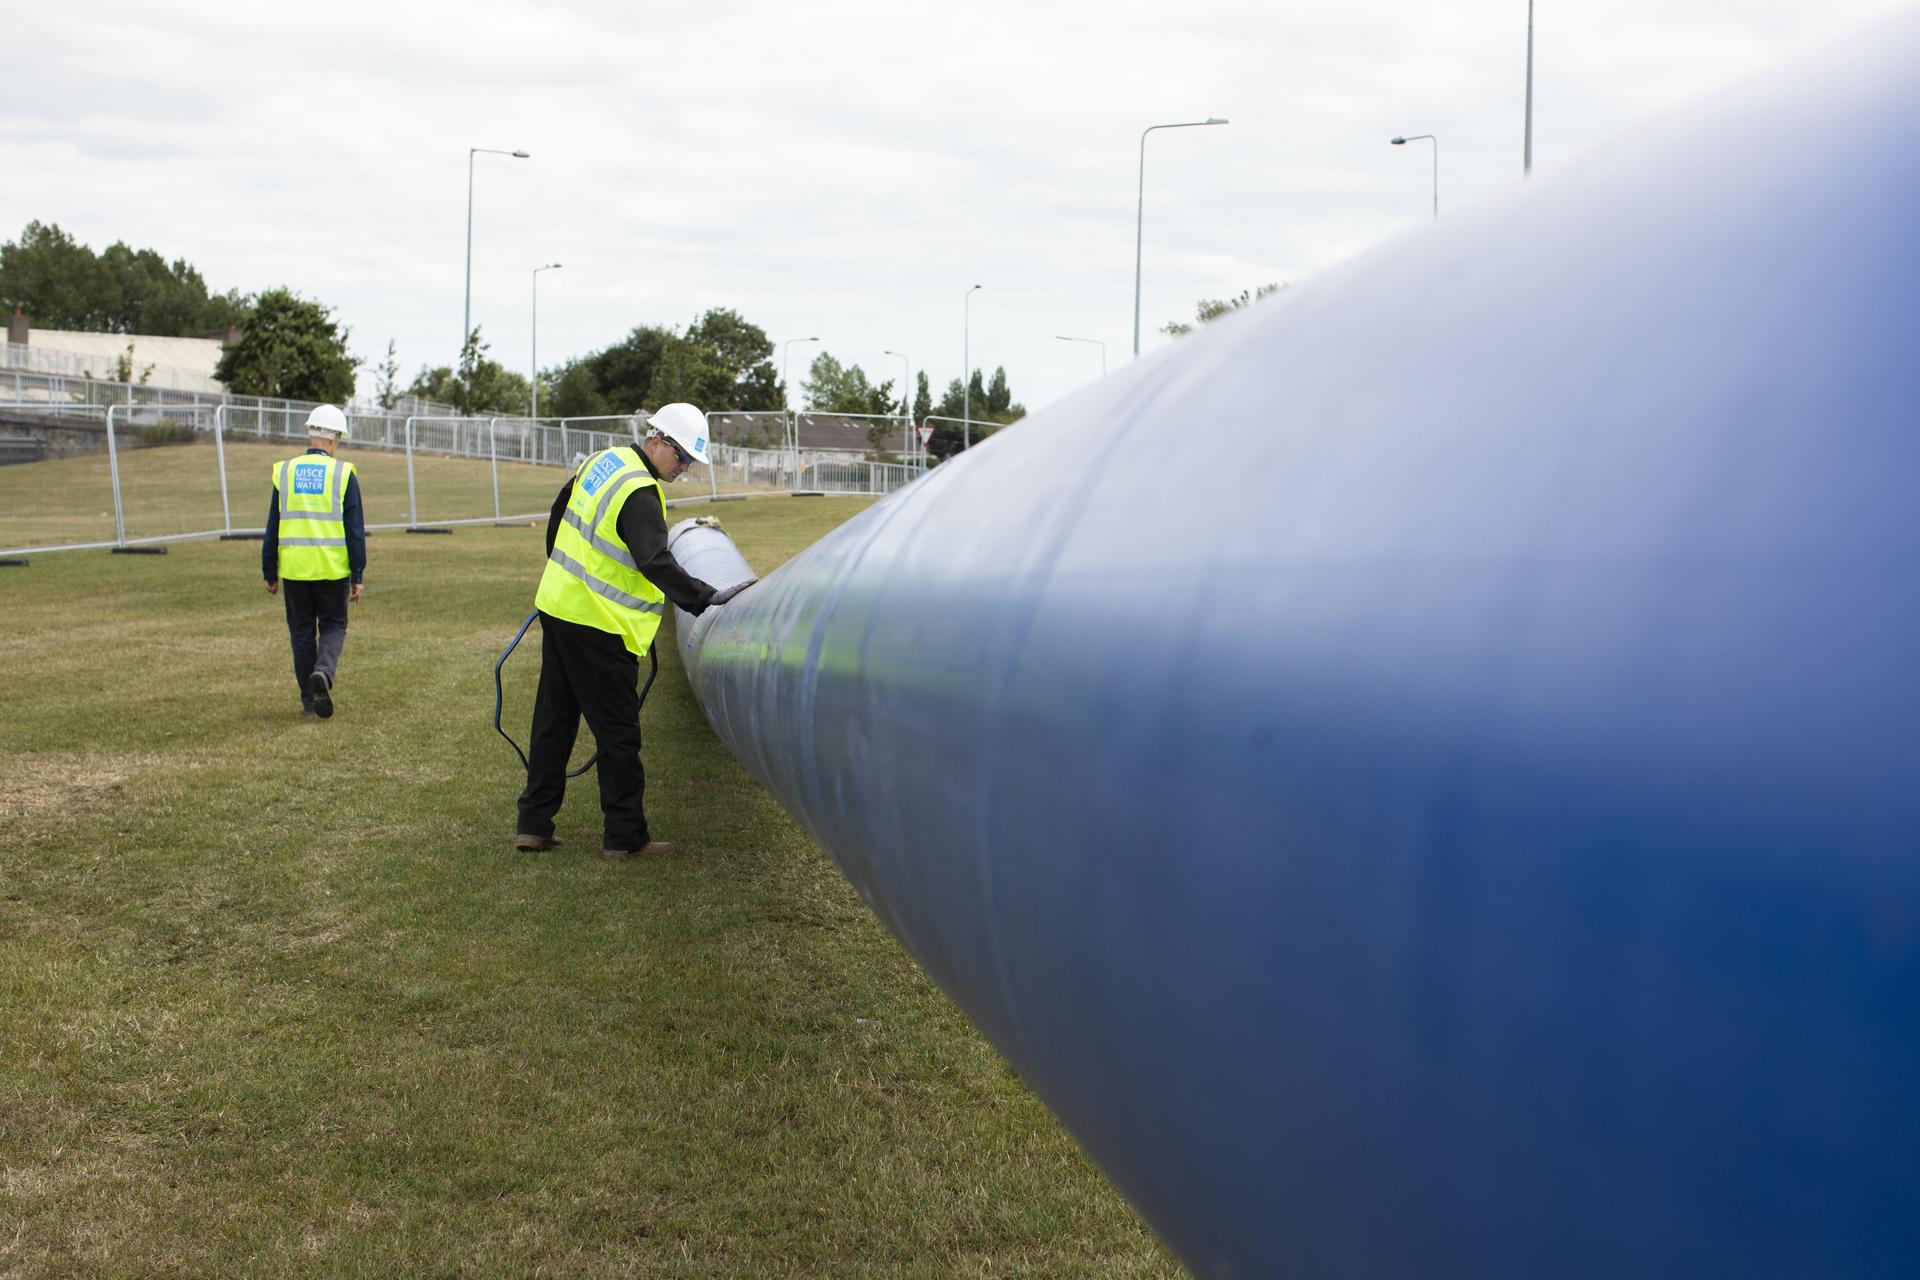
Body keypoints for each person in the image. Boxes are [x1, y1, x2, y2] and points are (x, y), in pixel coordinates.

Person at [517, 403, 753, 860]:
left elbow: (558, 514)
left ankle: (533, 824)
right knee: (618, 734)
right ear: (657, 440)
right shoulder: (640, 491)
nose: (684, 468)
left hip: (559, 609)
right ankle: (625, 837)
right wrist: (706, 598)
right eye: (681, 456)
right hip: (601, 627)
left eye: (690, 462)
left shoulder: (604, 462)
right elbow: (655, 561)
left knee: (554, 721)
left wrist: (563, 573)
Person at [263, 404, 365, 718]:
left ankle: (309, 702)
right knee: (334, 626)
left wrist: (270, 569)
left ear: (310, 433)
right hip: (332, 568)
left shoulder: (285, 471)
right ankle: (323, 670)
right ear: (334, 438)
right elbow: (355, 529)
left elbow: (273, 525)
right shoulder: (343, 473)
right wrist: (357, 573)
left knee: (302, 633)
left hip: (295, 569)